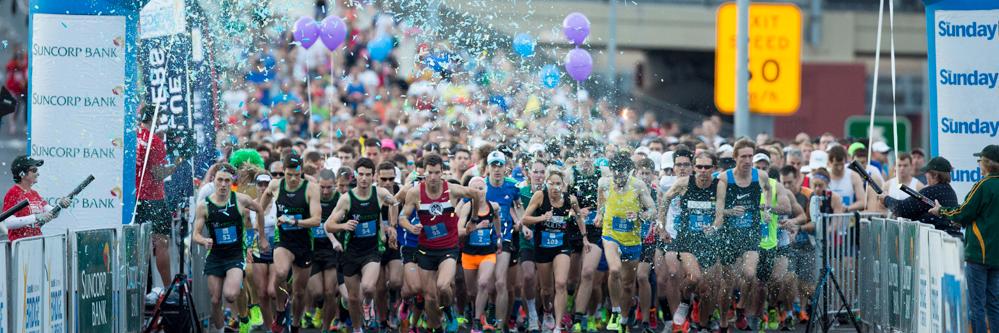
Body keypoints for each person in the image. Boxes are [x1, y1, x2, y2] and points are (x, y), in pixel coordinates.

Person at [398, 153, 483, 333]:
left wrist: (473, 219)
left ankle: (449, 311)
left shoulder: (451, 190)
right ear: (425, 173)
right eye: (430, 173)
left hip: (448, 248)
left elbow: (476, 194)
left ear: (442, 172)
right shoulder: (415, 193)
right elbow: (402, 217)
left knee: (443, 286)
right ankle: (436, 328)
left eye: (437, 173)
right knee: (429, 297)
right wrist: (410, 226)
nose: (433, 177)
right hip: (425, 250)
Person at [930, 145, 999, 333]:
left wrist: (941, 210)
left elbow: (963, 212)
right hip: (996, 256)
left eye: (980, 161)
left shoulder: (983, 185)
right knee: (994, 304)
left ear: (986, 164)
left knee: (977, 304)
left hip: (979, 253)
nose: (979, 164)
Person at [325, 158, 399, 333]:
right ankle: (357, 329)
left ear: (373, 176)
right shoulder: (346, 199)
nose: (364, 178)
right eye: (361, 174)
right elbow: (329, 225)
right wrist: (343, 226)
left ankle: (368, 303)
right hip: (350, 252)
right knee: (352, 298)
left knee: (367, 287)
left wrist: (392, 227)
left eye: (368, 175)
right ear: (355, 176)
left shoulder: (380, 194)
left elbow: (394, 203)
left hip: (371, 251)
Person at [192, 163, 265, 333]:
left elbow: (260, 210)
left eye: (227, 181)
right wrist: (203, 240)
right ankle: (220, 330)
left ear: (231, 182)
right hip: (215, 255)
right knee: (216, 300)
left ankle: (242, 307)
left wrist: (261, 236)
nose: (223, 184)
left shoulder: (239, 199)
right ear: (214, 181)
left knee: (230, 295)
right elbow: (196, 234)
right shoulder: (204, 205)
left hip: (235, 255)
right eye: (220, 180)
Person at [711, 138, 774, 330]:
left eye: (750, 156)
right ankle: (723, 322)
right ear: (735, 157)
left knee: (749, 273)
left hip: (751, 232)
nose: (747, 160)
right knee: (727, 284)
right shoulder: (724, 178)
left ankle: (740, 309)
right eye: (744, 156)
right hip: (729, 234)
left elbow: (769, 190)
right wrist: (729, 212)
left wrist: (767, 210)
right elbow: (718, 209)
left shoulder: (760, 176)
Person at [257, 152, 323, 333]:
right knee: (280, 271)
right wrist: (261, 236)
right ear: (283, 171)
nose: (293, 179)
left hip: (304, 243)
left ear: (301, 172)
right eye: (289, 174)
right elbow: (259, 210)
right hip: (283, 241)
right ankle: (280, 311)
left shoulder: (311, 188)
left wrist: (295, 222)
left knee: (300, 292)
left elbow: (317, 220)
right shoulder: (275, 186)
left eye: (297, 174)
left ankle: (295, 325)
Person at [596, 151, 657, 331]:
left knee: (628, 285)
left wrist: (639, 214)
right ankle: (614, 311)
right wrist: (600, 213)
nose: (618, 176)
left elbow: (652, 210)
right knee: (614, 270)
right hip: (611, 234)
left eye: (621, 172)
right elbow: (600, 195)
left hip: (632, 239)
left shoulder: (638, 186)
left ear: (629, 171)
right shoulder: (604, 182)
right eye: (615, 171)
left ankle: (623, 319)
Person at [661, 152, 721, 331]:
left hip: (710, 242)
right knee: (695, 277)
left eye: (707, 167)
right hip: (687, 241)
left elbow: (722, 213)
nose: (703, 171)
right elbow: (665, 200)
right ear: (694, 168)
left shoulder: (720, 186)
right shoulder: (684, 183)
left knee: (707, 290)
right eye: (699, 167)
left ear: (714, 169)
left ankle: (702, 325)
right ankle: (685, 300)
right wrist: (661, 225)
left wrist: (715, 227)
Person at [521, 169, 583, 333]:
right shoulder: (540, 196)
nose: (555, 187)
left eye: (558, 184)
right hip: (543, 248)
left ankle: (557, 326)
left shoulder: (570, 199)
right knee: (546, 290)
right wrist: (542, 218)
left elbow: (579, 216)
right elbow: (525, 219)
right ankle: (547, 311)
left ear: (563, 185)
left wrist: (585, 237)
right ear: (546, 183)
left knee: (561, 283)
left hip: (562, 246)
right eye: (552, 183)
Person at [135, 104, 181, 289]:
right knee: (161, 243)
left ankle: (140, 288)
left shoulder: (134, 138)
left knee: (141, 244)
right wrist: (179, 161)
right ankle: (168, 288)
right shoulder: (155, 141)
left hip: (135, 199)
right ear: (156, 119)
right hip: (153, 198)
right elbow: (158, 174)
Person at [484, 150, 524, 331]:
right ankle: (489, 312)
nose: (497, 169)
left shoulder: (512, 186)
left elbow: (518, 205)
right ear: (488, 168)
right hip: (484, 239)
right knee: (489, 286)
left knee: (501, 283)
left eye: (500, 165)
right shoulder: (481, 187)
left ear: (505, 167)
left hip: (505, 238)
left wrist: (522, 223)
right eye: (493, 165)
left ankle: (500, 325)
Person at [656, 149, 694, 331]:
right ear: (673, 167)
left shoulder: (700, 184)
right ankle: (676, 324)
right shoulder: (666, 183)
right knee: (671, 274)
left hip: (694, 236)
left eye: (686, 164)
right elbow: (662, 204)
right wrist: (661, 227)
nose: (682, 168)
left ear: (692, 166)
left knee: (693, 280)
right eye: (678, 165)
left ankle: (687, 304)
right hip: (671, 235)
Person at [457, 177, 501, 333]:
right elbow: (459, 231)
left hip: (487, 253)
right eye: (474, 189)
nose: (478, 192)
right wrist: (475, 228)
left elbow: (497, 220)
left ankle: (477, 321)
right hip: (469, 254)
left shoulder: (493, 206)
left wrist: (499, 237)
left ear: (486, 190)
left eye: (481, 189)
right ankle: (472, 310)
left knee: (483, 283)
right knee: (471, 292)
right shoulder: (467, 208)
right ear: (470, 192)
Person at [880, 157, 958, 234]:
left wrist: (886, 199)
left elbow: (902, 209)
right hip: (953, 239)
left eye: (927, 172)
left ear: (935, 175)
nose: (925, 175)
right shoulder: (951, 192)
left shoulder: (930, 191)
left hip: (936, 242)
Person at [308, 169, 345, 333]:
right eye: (322, 187)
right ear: (317, 184)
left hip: (332, 250)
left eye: (329, 187)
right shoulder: (310, 196)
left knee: (330, 292)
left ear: (335, 185)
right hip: (312, 250)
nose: (325, 191)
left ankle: (326, 327)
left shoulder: (340, 199)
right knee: (317, 293)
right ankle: (318, 308)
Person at [2, 155, 71, 240]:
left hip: (36, 244)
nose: (38, 173)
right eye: (34, 170)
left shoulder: (34, 194)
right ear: (22, 174)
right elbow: (9, 223)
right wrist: (36, 217)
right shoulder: (13, 193)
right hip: (21, 248)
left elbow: (53, 214)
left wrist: (60, 205)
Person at [375, 161, 404, 330]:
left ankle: (394, 304)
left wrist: (393, 227)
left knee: (395, 282)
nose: (387, 182)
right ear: (377, 177)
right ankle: (383, 320)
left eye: (391, 178)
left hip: (395, 243)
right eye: (383, 179)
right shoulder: (371, 193)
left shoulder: (400, 192)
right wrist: (382, 229)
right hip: (375, 245)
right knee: (379, 289)